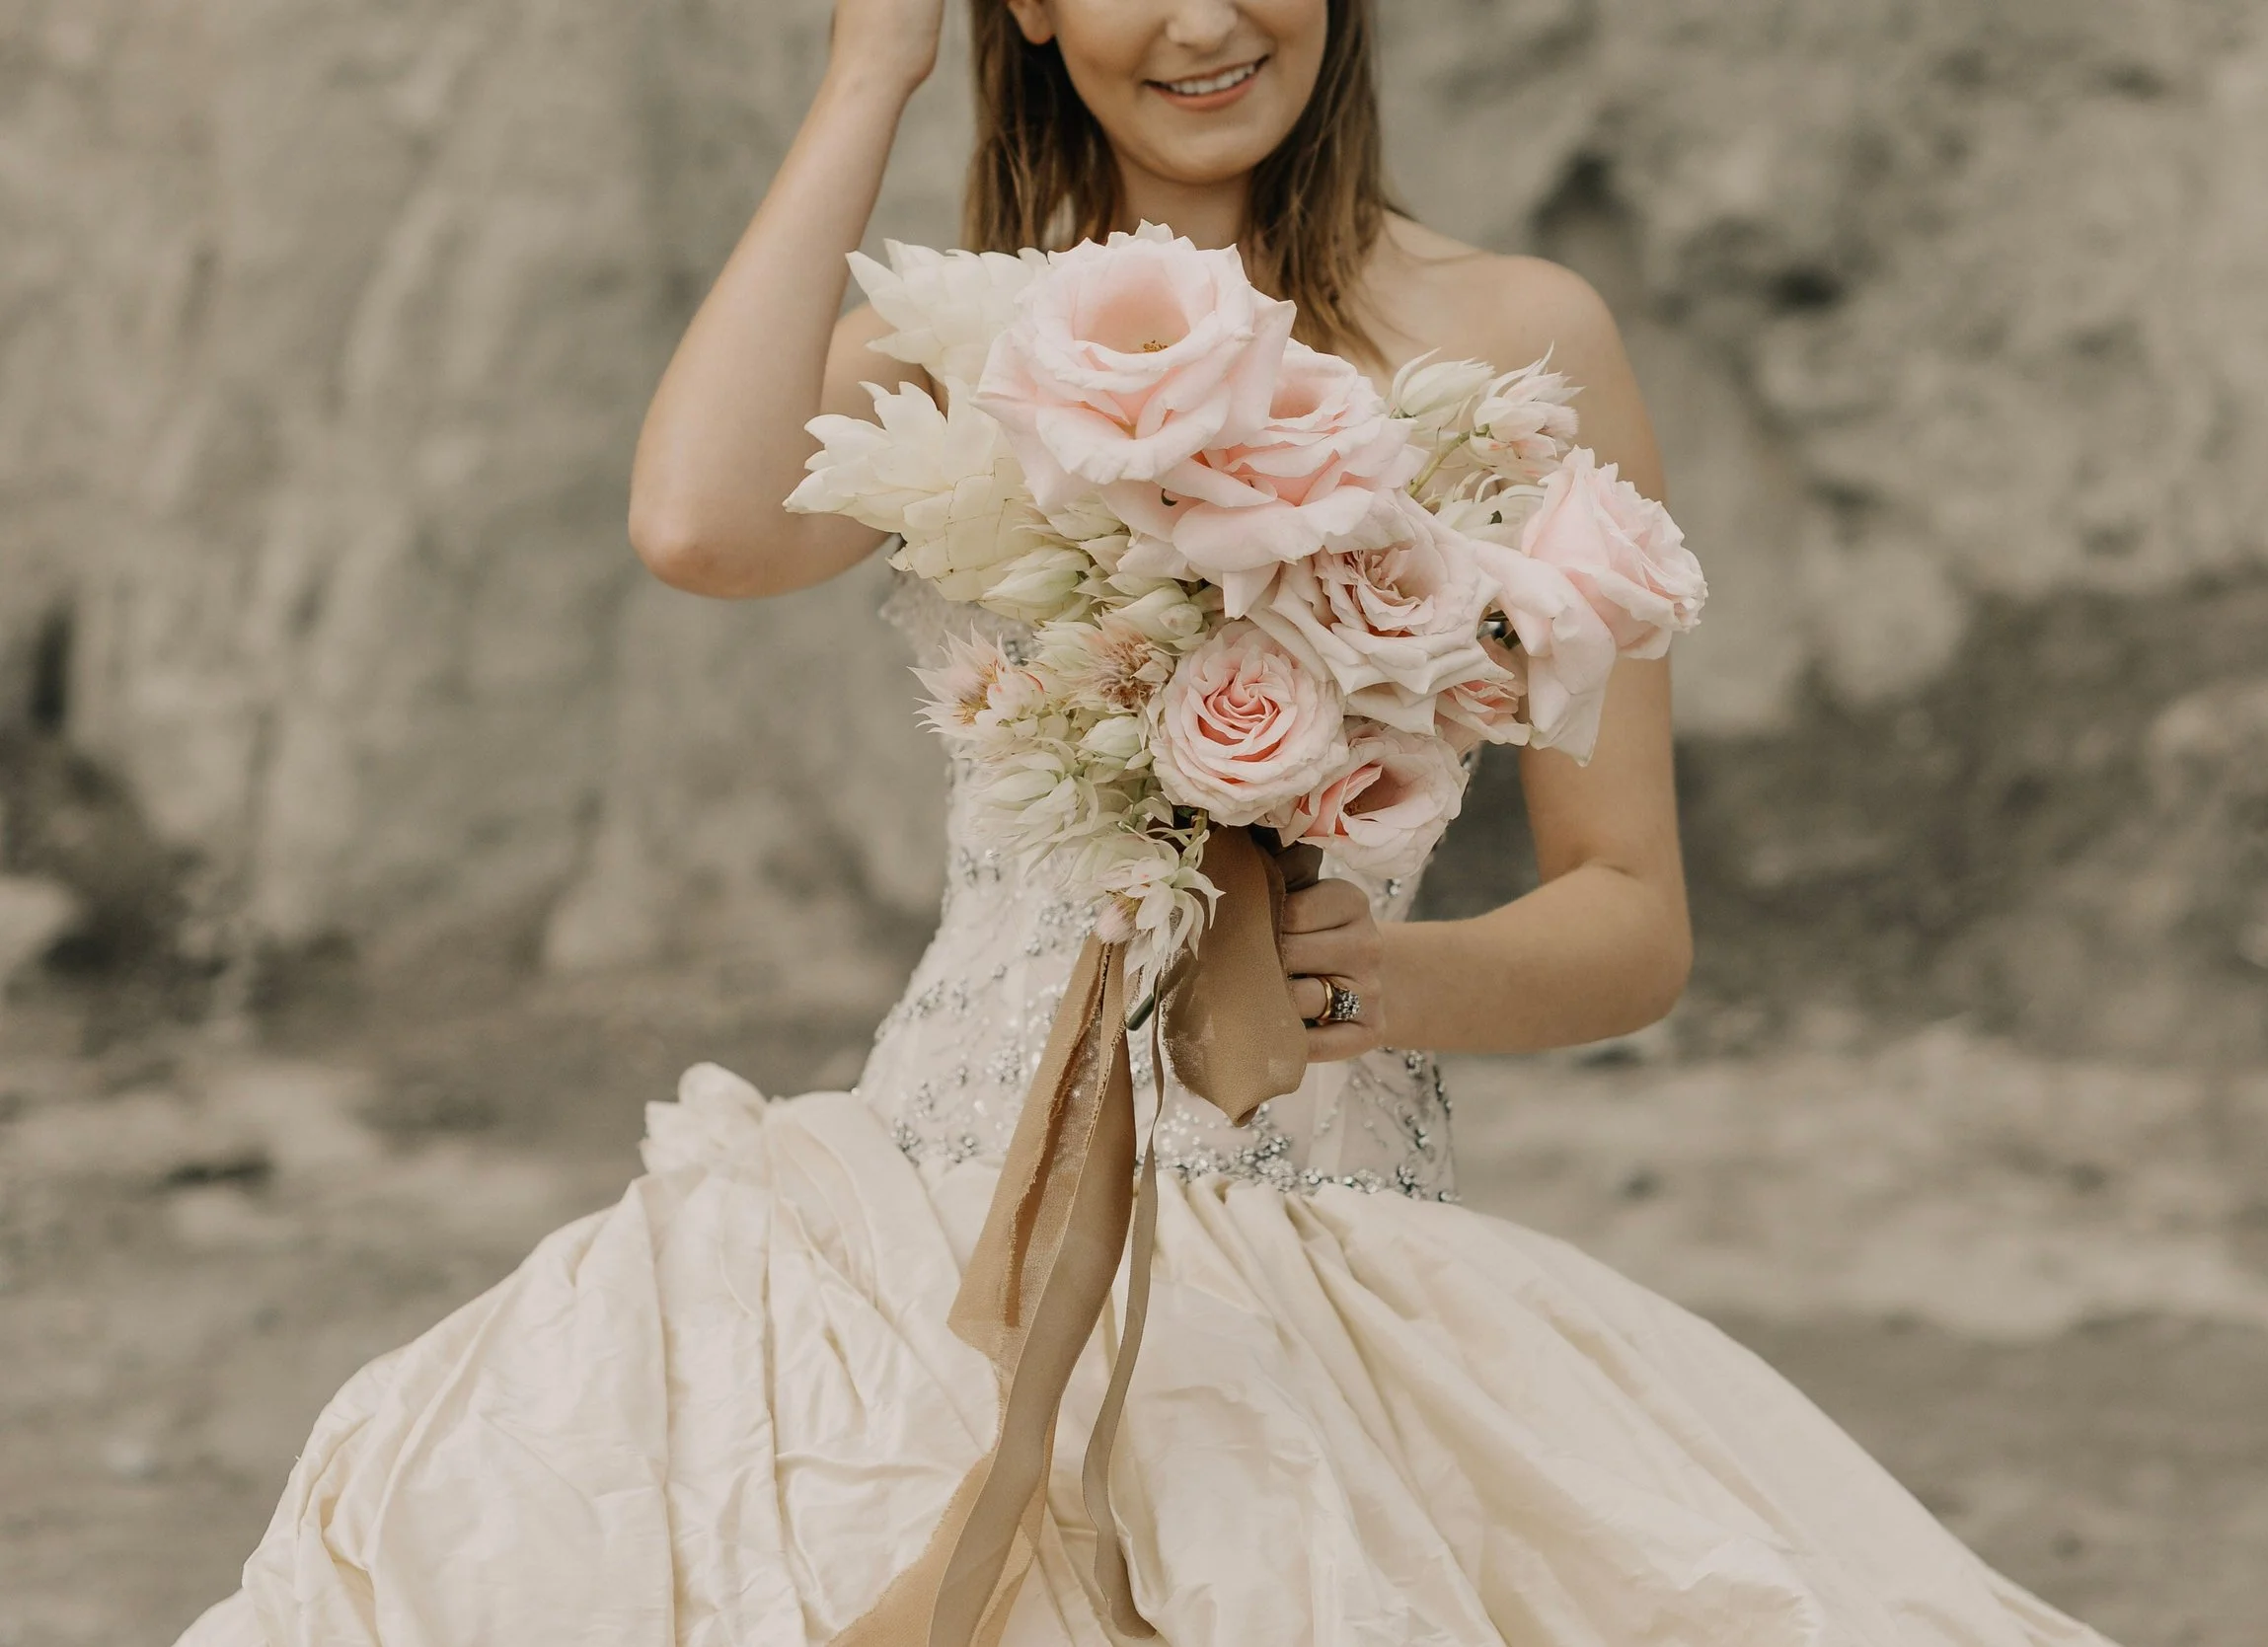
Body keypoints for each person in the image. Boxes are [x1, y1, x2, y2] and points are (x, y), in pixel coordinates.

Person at [179, 2, 2116, 1642]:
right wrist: (866, 77)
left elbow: (1627, 915)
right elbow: (695, 523)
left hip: (1324, 1227)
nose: (1202, 20)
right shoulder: (959, 344)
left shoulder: (1519, 342)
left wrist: (1365, 979)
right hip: (927, 1211)